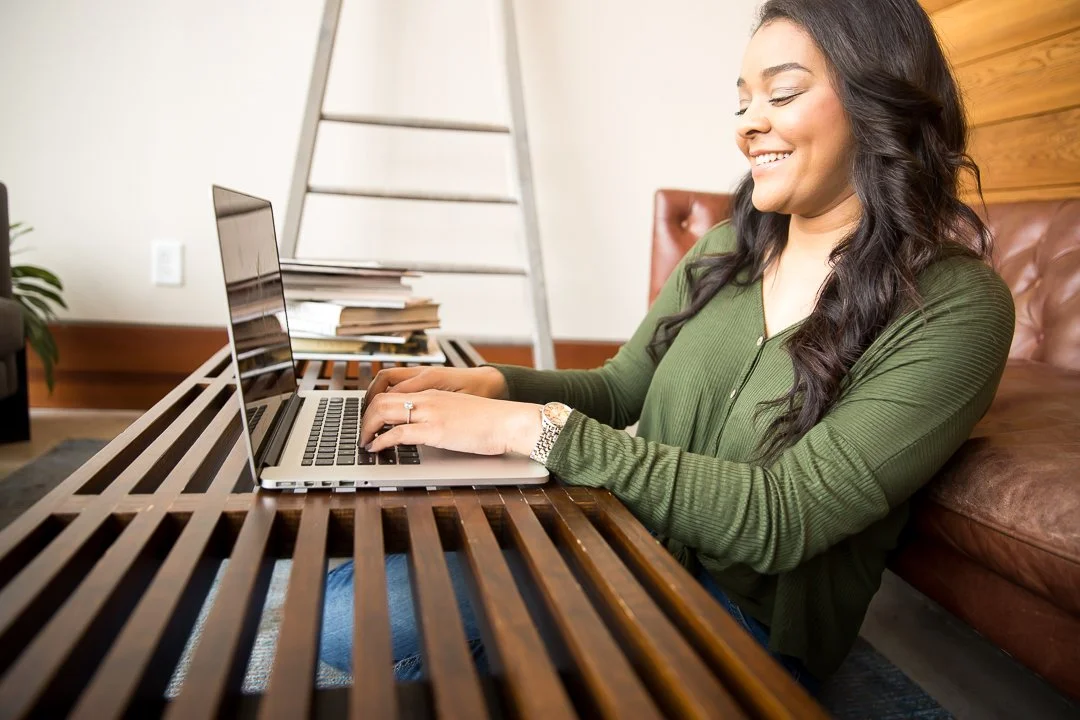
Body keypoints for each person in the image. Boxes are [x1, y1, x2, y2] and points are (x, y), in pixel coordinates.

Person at [319, 0, 1015, 694]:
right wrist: (497, 388)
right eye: (742, 102)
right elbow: (624, 386)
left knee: (359, 619)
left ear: (878, 98)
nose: (748, 124)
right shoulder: (726, 252)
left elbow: (785, 516)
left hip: (743, 622)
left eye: (782, 93)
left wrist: (529, 430)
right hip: (627, 543)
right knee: (348, 600)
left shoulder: (955, 307)